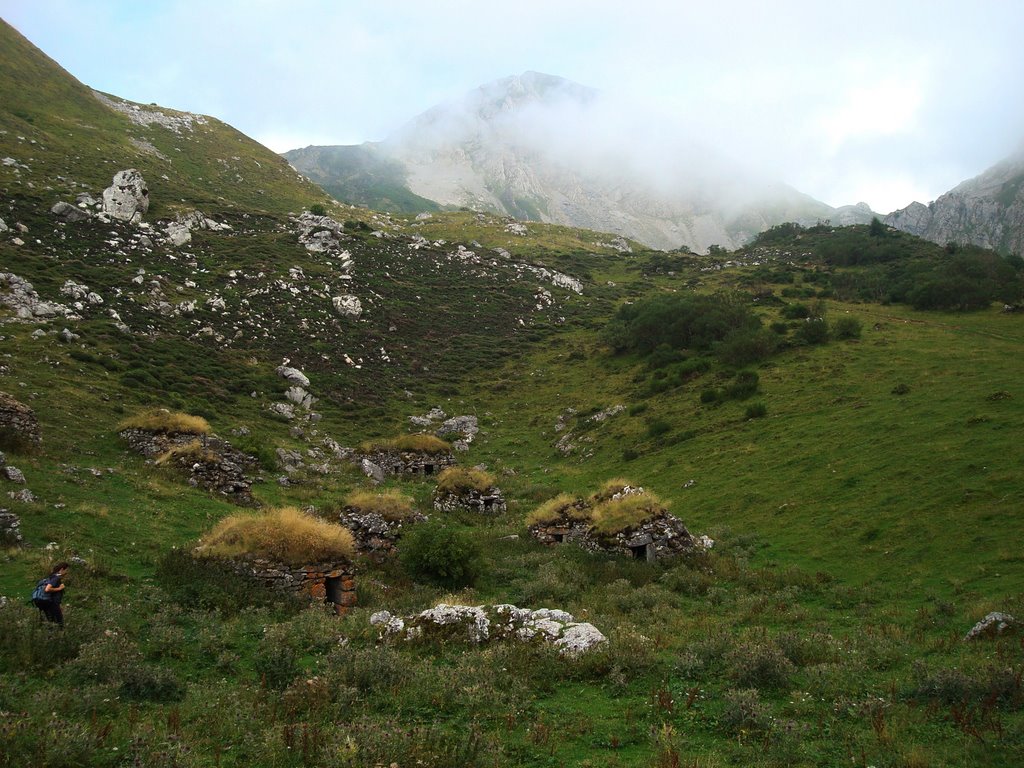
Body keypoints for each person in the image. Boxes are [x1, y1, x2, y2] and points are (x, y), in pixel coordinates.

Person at [32, 562, 69, 626]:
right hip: (52, 604)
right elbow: (47, 589)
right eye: (66, 570)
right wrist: (60, 588)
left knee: (51, 622)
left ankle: (50, 634)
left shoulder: (52, 576)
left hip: (49, 603)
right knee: (59, 623)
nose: (67, 572)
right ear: (62, 569)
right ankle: (58, 635)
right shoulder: (56, 578)